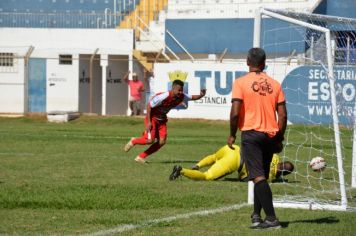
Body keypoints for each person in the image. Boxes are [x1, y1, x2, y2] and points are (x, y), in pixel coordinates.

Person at [227, 48, 288, 230]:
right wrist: (279, 136)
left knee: (258, 177)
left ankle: (271, 219)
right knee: (260, 176)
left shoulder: (240, 83)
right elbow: (283, 116)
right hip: (270, 135)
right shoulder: (275, 84)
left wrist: (232, 133)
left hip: (251, 134)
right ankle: (256, 216)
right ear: (264, 63)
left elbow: (235, 112)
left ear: (247, 62)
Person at [124, 79, 206, 163]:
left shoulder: (181, 96)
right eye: (179, 90)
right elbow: (149, 106)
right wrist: (148, 122)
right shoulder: (164, 96)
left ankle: (140, 157)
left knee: (161, 142)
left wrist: (201, 95)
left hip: (162, 120)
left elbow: (193, 97)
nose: (181, 92)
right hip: (152, 118)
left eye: (182, 90)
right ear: (173, 89)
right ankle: (134, 141)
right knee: (149, 140)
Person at [169, 144, 294, 182]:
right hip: (235, 161)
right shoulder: (270, 176)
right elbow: (244, 178)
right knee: (207, 176)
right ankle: (181, 170)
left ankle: (197, 165)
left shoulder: (275, 155)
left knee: (214, 157)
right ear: (282, 174)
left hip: (234, 148)